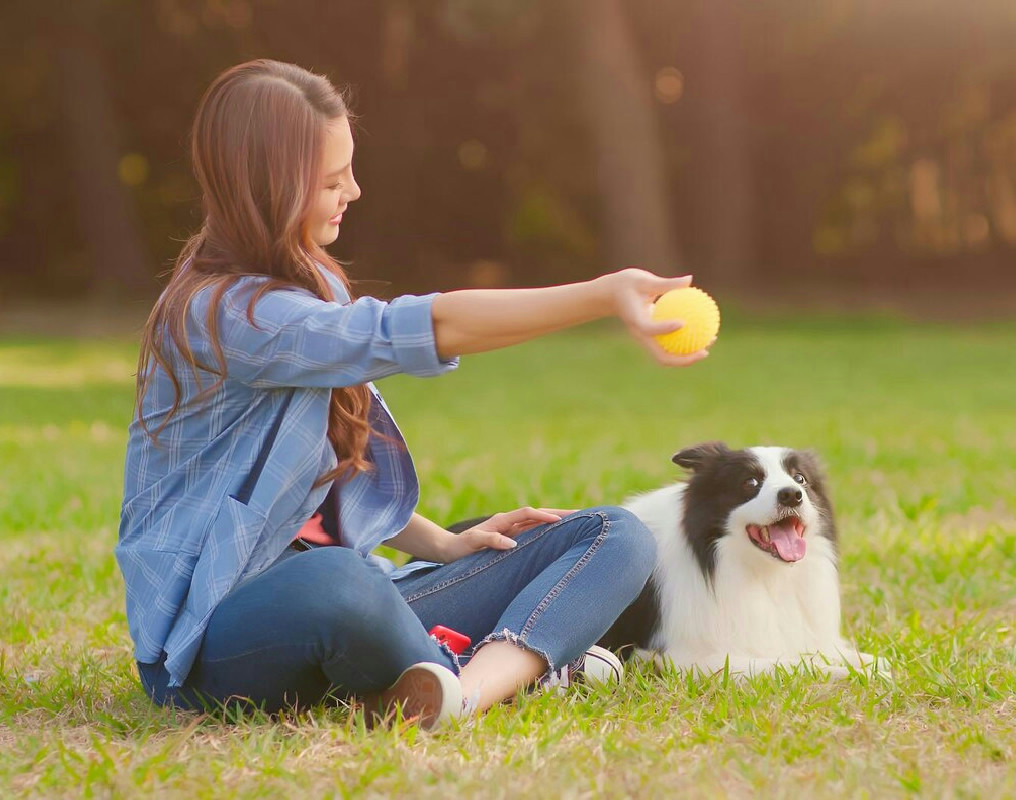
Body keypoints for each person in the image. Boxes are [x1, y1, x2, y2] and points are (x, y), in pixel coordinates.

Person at [117, 59, 706, 729]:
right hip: (219, 649)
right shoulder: (226, 317)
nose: (355, 191)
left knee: (615, 534)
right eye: (334, 180)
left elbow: (317, 479)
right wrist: (601, 295)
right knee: (341, 581)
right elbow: (428, 326)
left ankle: (463, 692)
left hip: (358, 596)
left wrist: (447, 546)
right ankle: (508, 669)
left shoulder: (311, 282)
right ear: (268, 187)